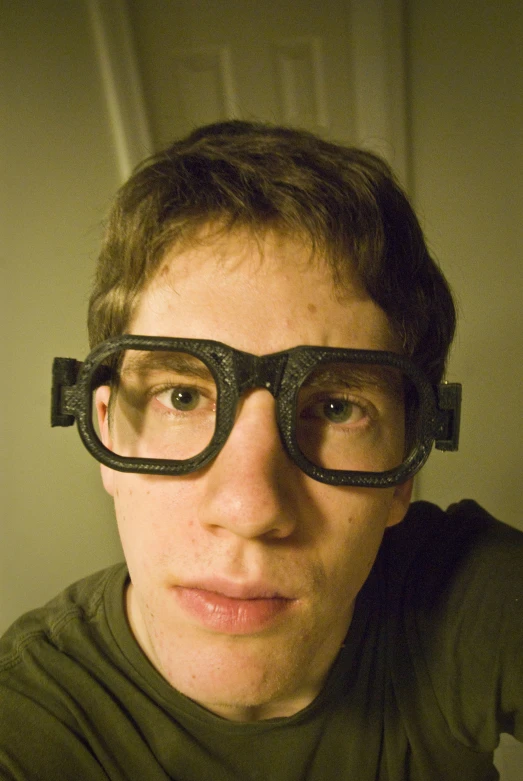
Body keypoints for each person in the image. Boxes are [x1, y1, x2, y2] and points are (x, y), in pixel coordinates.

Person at [1, 121, 521, 781]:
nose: (249, 507)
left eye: (334, 408)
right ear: (106, 434)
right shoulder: (29, 721)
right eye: (182, 397)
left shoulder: (469, 601)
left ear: (405, 469)